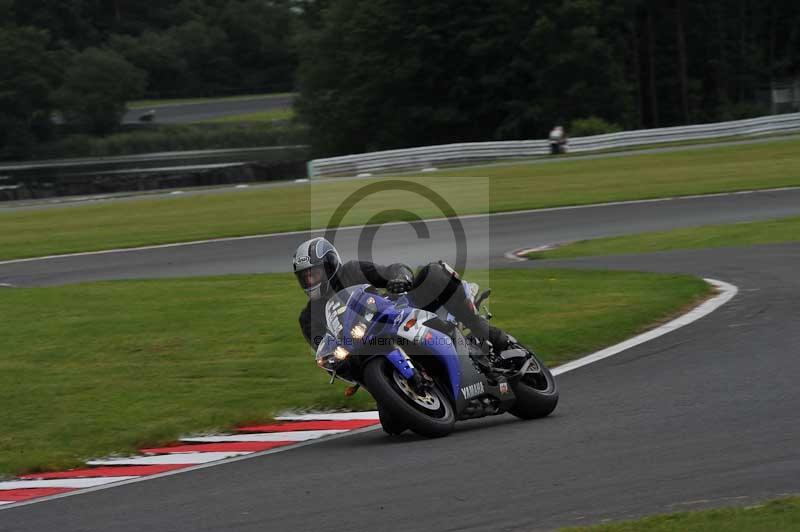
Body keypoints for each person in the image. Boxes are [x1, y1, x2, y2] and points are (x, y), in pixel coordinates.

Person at [293, 237, 509, 354]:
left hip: (397, 315)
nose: (310, 281)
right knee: (393, 425)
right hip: (364, 349)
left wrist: (400, 278)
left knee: (433, 272)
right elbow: (320, 346)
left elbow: (392, 270)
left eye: (315, 274)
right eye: (305, 278)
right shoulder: (308, 317)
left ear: (330, 266)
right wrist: (331, 354)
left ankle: (482, 327)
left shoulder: (352, 270)